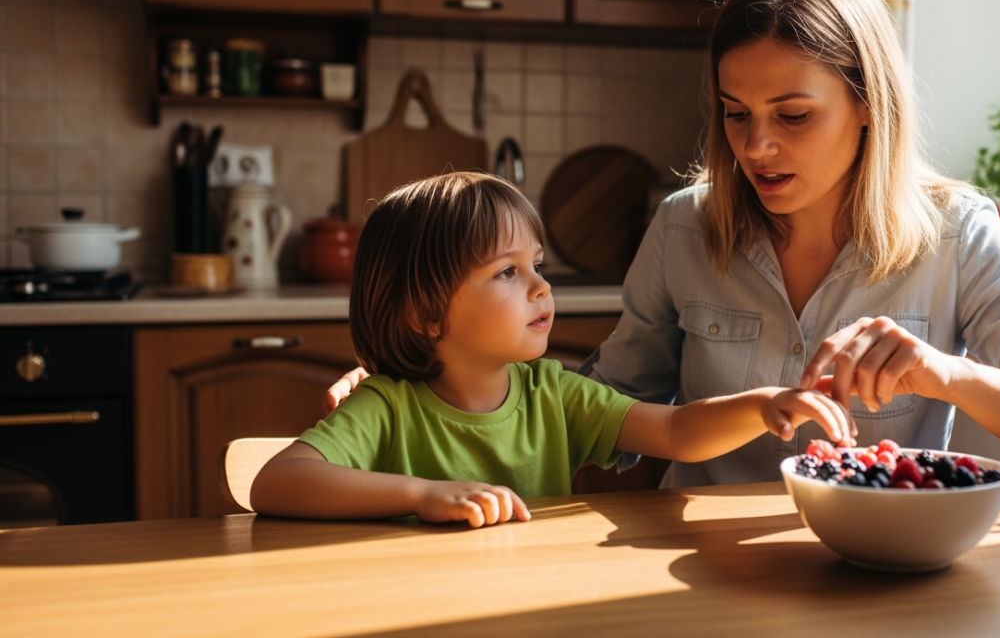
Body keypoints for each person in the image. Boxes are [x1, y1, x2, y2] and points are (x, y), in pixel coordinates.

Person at [327, 0, 1000, 486]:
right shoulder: (683, 227)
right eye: (735, 113)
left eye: (793, 115)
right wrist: (430, 390)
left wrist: (943, 374)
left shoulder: (959, 234)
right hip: (697, 570)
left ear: (867, 104)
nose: (756, 147)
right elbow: (600, 411)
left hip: (877, 569)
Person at [252, 172, 852, 528]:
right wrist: (423, 495)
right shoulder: (387, 404)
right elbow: (276, 482)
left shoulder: (555, 393)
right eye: (506, 272)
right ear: (426, 314)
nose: (541, 287)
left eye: (536, 265)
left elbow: (674, 432)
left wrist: (761, 406)